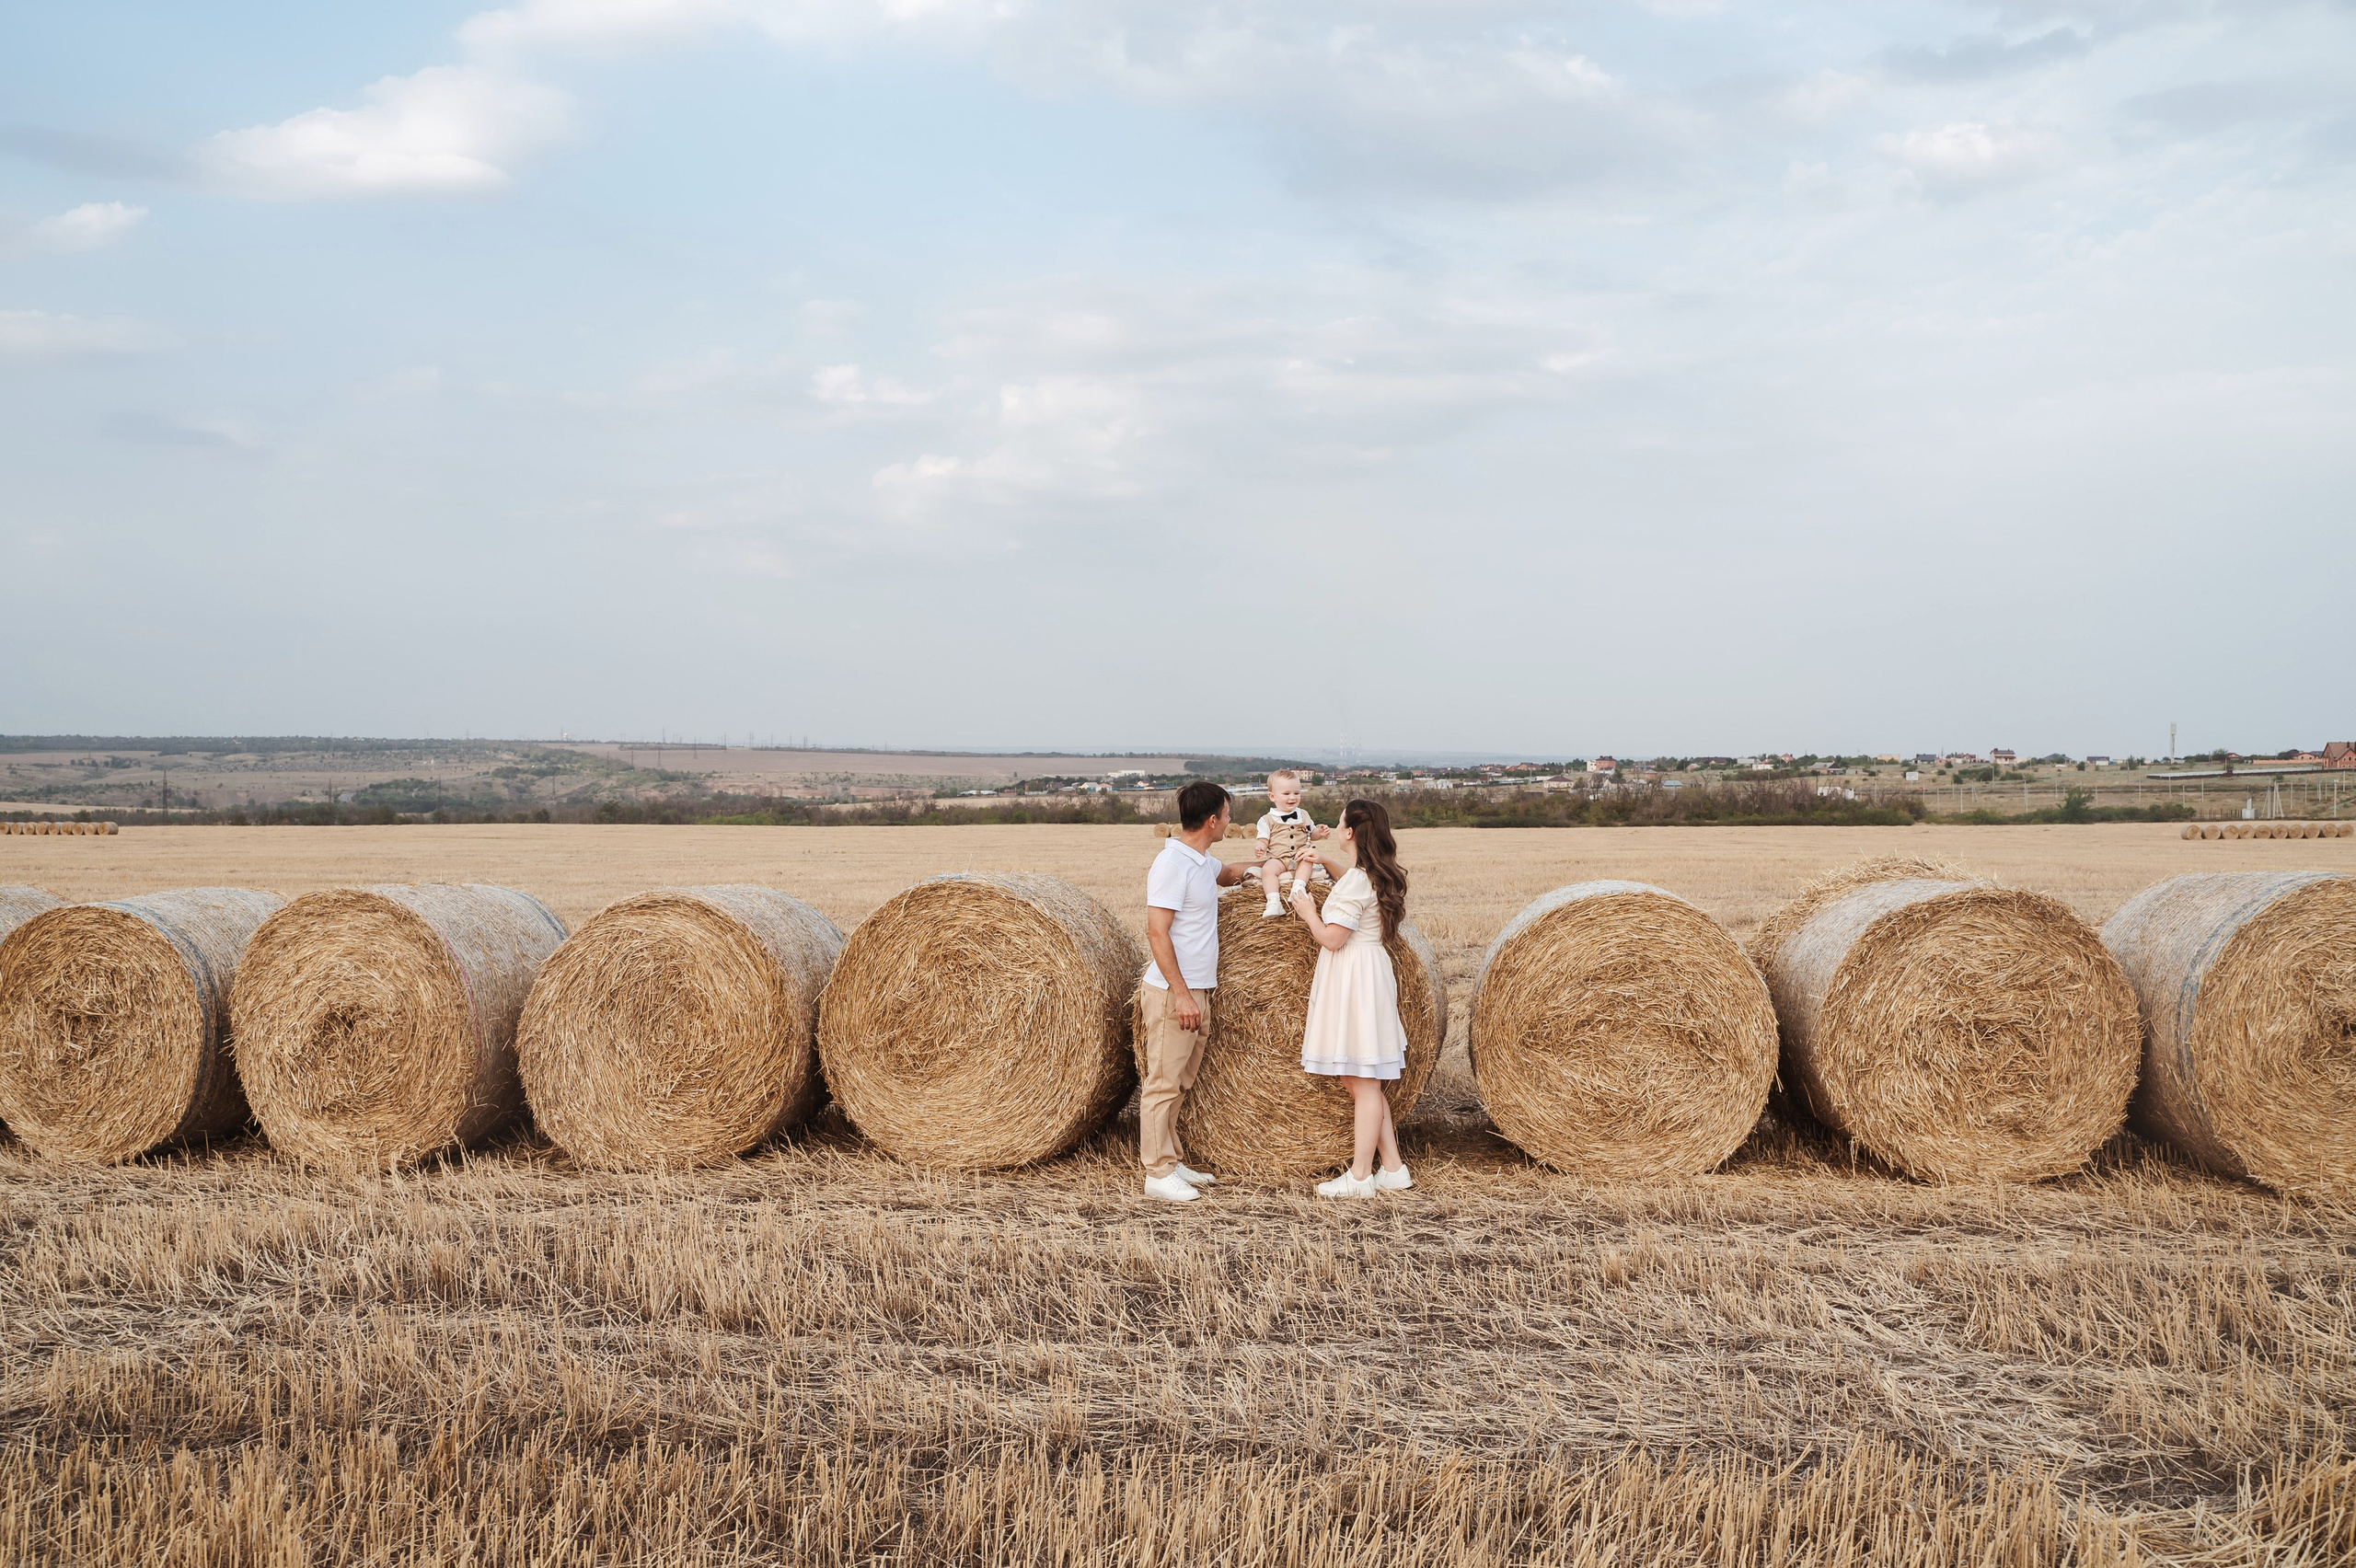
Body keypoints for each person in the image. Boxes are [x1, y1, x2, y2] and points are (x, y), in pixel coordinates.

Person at [1287, 798, 1414, 1198]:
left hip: (1355, 977)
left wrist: (1307, 911)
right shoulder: (1371, 875)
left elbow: (1332, 938)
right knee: (1361, 1078)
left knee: (1363, 1081)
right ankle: (1392, 1168)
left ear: (1350, 832)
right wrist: (1326, 860)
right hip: (1368, 972)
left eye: (1340, 821)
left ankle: (1360, 1177)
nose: (1336, 825)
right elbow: (1354, 886)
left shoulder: (1360, 880)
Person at [1138, 779, 1258, 1203]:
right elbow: (1157, 933)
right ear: (1211, 820)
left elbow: (1228, 874)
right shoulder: (1172, 865)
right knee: (1163, 1083)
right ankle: (1157, 1173)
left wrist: (1271, 866)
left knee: (1181, 1082)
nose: (1230, 821)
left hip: (1198, 990)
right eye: (1227, 815)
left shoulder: (1200, 861)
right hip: (1175, 993)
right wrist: (1183, 994)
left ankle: (1171, 1160)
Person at [1252, 768, 1331, 917]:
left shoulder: (1304, 815)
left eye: (1296, 793)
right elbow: (1263, 839)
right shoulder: (1266, 820)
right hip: (1278, 859)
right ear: (1272, 796)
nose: (1292, 797)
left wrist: (1319, 833)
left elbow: (1311, 834)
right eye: (1286, 794)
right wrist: (1260, 846)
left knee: (1308, 860)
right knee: (1267, 870)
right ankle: (1273, 902)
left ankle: (1298, 888)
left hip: (1300, 856)